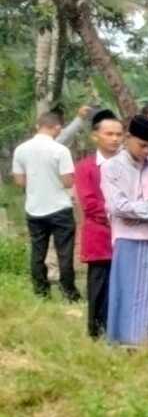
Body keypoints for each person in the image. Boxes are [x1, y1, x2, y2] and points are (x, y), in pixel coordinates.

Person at [101, 115, 148, 346]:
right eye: (142, 145)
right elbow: (118, 206)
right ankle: (128, 342)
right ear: (128, 137)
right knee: (131, 291)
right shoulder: (112, 167)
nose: (146, 151)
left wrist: (146, 210)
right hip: (129, 239)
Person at [12, 111, 80, 301]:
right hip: (59, 208)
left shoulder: (21, 149)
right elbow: (67, 182)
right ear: (57, 127)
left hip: (34, 208)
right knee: (64, 253)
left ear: (38, 126)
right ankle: (69, 293)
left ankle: (41, 292)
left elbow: (19, 181)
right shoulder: (60, 150)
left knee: (38, 251)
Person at [75, 109, 124, 338]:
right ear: (95, 136)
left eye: (118, 134)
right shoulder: (86, 167)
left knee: (124, 286)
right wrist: (122, 214)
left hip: (128, 236)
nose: (114, 139)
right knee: (99, 285)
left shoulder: (130, 164)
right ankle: (96, 332)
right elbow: (89, 204)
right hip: (100, 236)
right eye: (109, 134)